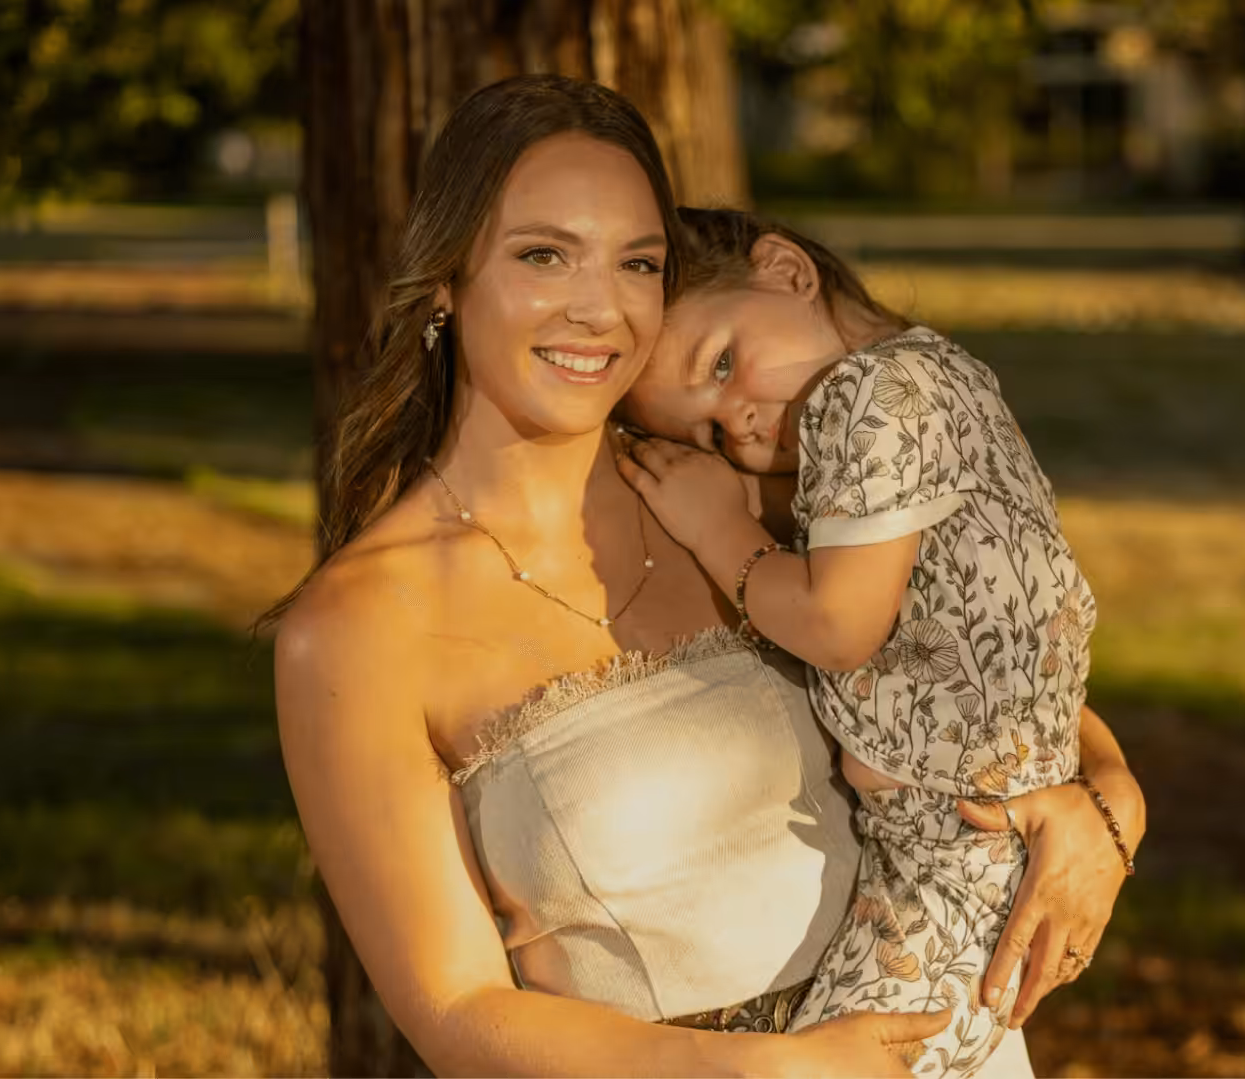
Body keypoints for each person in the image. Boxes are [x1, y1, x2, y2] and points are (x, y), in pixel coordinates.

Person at [261, 75, 1144, 1078]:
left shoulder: (735, 502)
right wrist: (773, 1071)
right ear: (447, 283)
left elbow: (991, 664)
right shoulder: (357, 631)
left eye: (636, 262)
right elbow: (458, 1014)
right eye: (544, 254)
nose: (598, 308)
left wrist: (1108, 807)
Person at [615, 208, 1128, 1077]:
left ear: (786, 270)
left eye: (724, 363)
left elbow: (840, 628)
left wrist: (721, 537)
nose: (738, 421)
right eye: (705, 430)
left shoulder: (866, 398)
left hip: (952, 844)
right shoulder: (950, 375)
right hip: (990, 841)